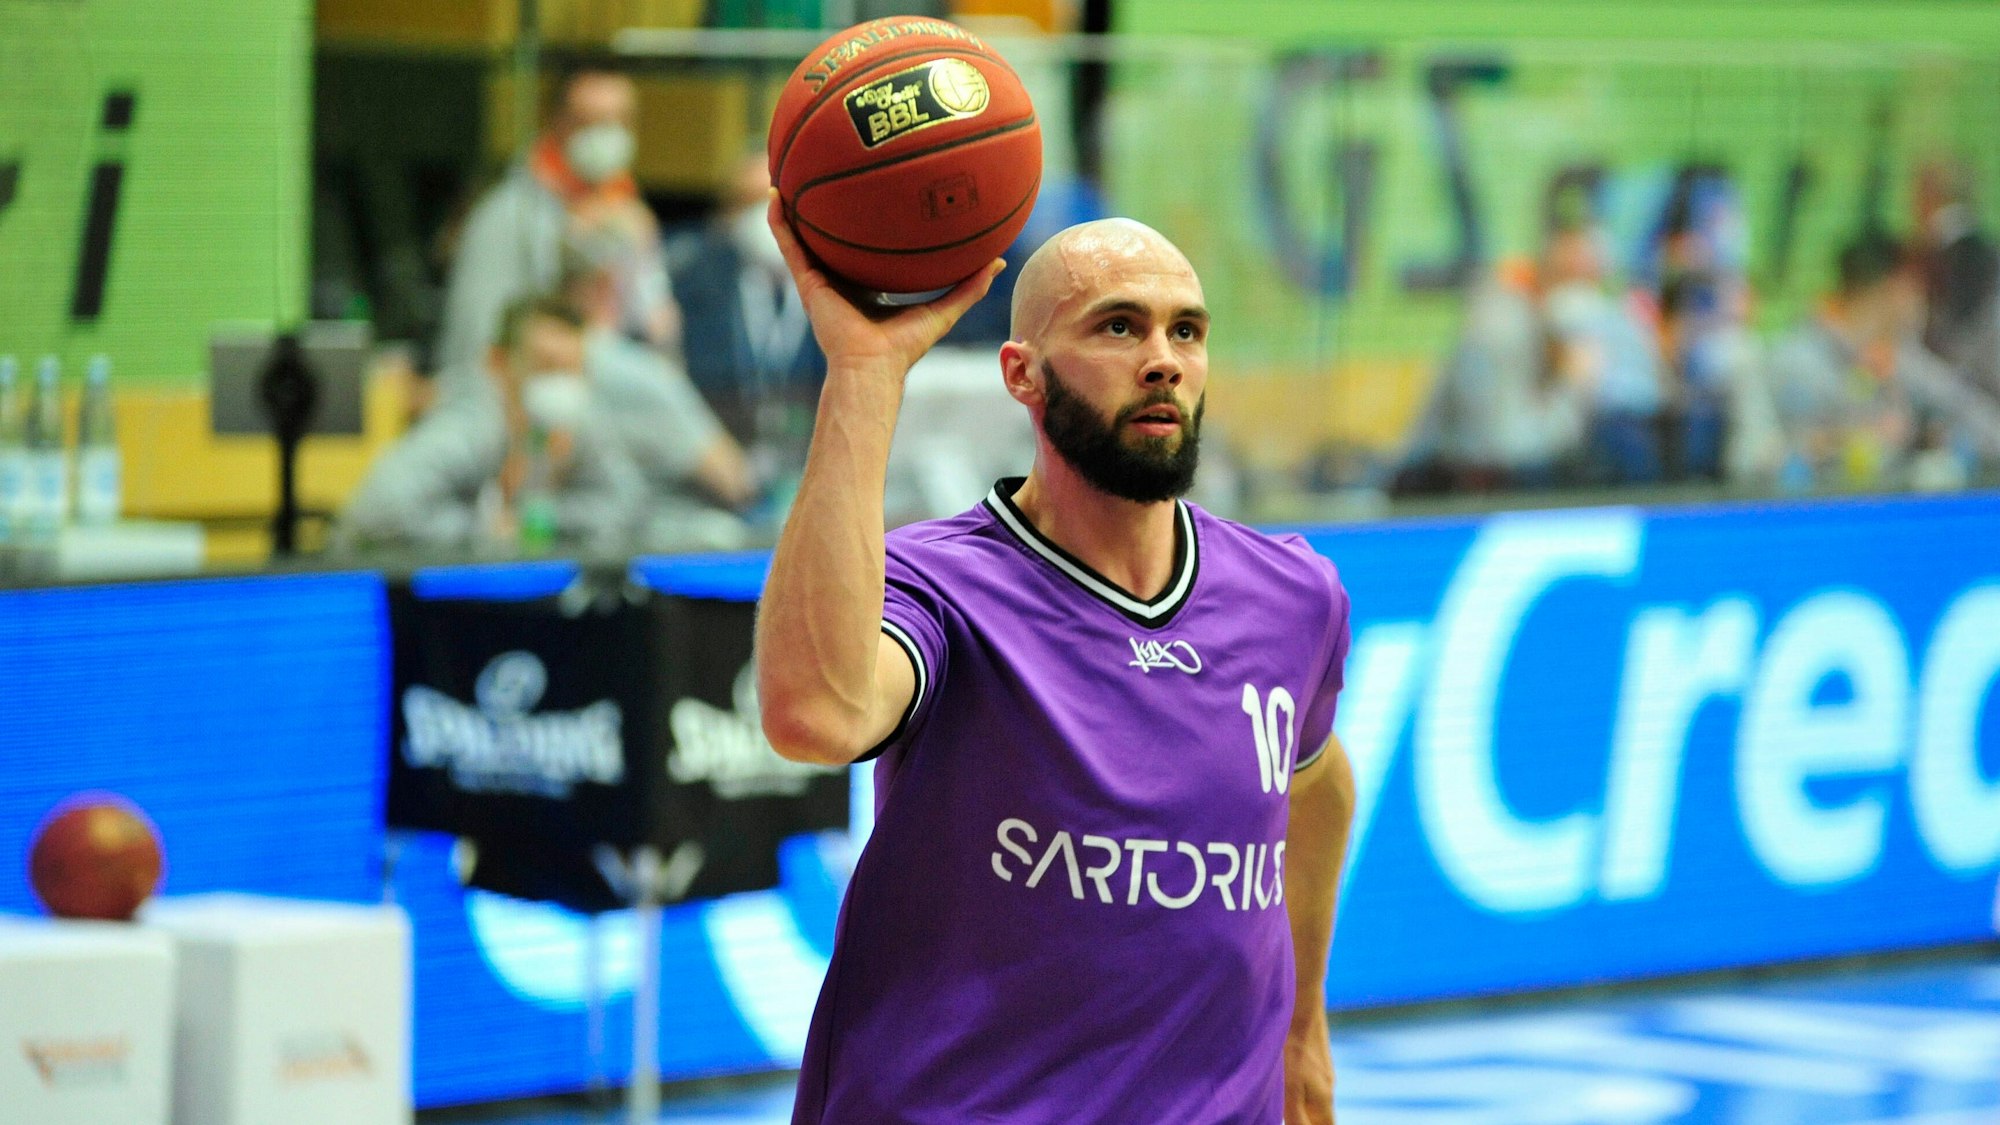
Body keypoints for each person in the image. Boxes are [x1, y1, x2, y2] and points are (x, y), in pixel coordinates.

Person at [755, 200, 1357, 1124]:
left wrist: (1301, 1024)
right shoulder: (941, 586)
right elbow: (814, 715)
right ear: (1022, 374)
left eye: (1186, 331)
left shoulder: (1294, 596)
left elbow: (1314, 783)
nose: (1163, 358)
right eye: (1118, 326)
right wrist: (865, 374)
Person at [433, 68, 678, 400]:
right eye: (590, 121)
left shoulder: (628, 213)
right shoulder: (509, 215)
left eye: (620, 121)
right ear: (557, 122)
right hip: (523, 404)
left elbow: (658, 330)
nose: (607, 134)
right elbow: (476, 343)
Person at [337, 295, 643, 550]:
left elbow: (626, 504)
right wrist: (482, 528)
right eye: (546, 365)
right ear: (498, 362)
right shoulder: (472, 423)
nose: (561, 384)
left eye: (573, 369)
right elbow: (378, 513)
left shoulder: (580, 422)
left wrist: (539, 520)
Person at [557, 240, 757, 543]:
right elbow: (734, 480)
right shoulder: (634, 369)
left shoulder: (531, 359)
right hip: (656, 546)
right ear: (607, 282)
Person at [1770, 231, 2000, 489]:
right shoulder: (1797, 361)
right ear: (1890, 287)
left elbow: (1983, 426)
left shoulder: (1902, 360)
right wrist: (1847, 440)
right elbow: (1770, 458)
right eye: (1915, 287)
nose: (1922, 302)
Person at [667, 153, 825, 493]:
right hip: (723, 474)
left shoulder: (837, 288)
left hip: (815, 468)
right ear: (726, 216)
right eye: (749, 203)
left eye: (775, 202)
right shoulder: (692, 289)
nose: (763, 217)